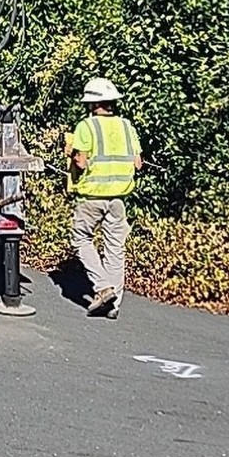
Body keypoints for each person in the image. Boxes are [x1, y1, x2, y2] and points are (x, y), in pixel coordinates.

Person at [66, 78, 142, 320]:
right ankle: (114, 304)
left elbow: (81, 161)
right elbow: (137, 163)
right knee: (114, 249)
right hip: (118, 198)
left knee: (81, 239)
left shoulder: (86, 127)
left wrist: (71, 153)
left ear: (93, 103)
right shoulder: (127, 127)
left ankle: (102, 288)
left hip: (91, 197)